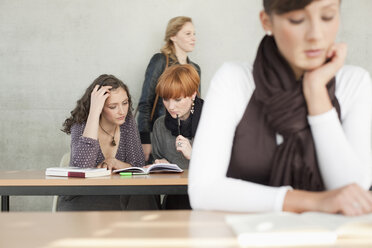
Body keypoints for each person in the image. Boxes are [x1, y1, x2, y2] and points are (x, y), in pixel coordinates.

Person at [189, 0, 372, 216]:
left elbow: (354, 192)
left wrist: (316, 92)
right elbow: (203, 190)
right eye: (297, 20)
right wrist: (315, 202)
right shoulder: (234, 81)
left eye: (327, 17)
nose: (316, 34)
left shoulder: (354, 82)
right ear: (267, 22)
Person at [59, 74, 158, 211]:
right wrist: (93, 113)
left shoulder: (127, 123)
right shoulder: (81, 125)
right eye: (113, 106)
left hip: (118, 193)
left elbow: (138, 167)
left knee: (146, 194)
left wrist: (117, 163)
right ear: (99, 107)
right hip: (86, 196)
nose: (122, 111)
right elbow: (82, 168)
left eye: (125, 103)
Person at [137, 16, 201, 163]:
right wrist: (145, 139)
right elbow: (146, 102)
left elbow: (196, 103)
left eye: (194, 34)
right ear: (173, 36)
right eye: (188, 34)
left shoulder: (195, 69)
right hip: (162, 135)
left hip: (188, 136)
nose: (193, 38)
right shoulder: (160, 61)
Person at [152, 64, 203, 209]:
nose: (171, 107)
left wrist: (193, 155)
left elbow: (228, 166)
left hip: (207, 197)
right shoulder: (160, 125)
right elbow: (157, 160)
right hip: (175, 198)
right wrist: (160, 165)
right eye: (166, 99)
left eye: (178, 100)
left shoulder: (211, 121)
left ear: (193, 94)